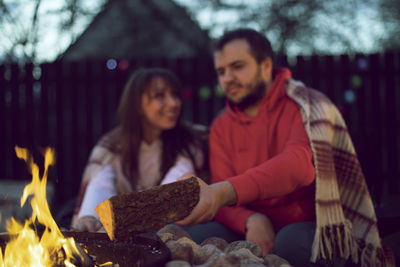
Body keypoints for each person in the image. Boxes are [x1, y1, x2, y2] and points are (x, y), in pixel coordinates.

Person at [176, 29, 391, 266]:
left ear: (266, 66)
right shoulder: (221, 125)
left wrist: (222, 192)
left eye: (237, 66)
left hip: (306, 223)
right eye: (221, 71)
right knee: (191, 238)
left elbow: (299, 166)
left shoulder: (305, 106)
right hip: (249, 226)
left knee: (291, 243)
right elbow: (222, 198)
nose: (227, 78)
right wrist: (251, 219)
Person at [71, 67, 203, 232]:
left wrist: (146, 216)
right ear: (137, 105)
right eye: (160, 96)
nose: (174, 103)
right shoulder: (112, 145)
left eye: (175, 95)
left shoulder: (187, 141)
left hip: (166, 227)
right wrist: (90, 217)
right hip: (120, 223)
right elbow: (101, 182)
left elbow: (177, 180)